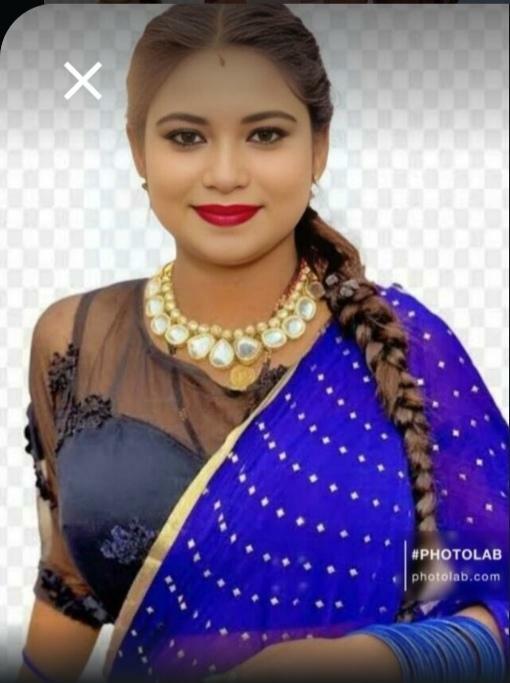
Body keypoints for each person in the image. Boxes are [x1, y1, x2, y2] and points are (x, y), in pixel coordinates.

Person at [18, 3, 508, 683]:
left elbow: (500, 595)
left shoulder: (407, 346)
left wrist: (368, 660)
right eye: (186, 137)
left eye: (266, 134)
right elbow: (70, 584)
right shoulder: (75, 339)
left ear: (318, 148)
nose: (225, 173)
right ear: (138, 150)